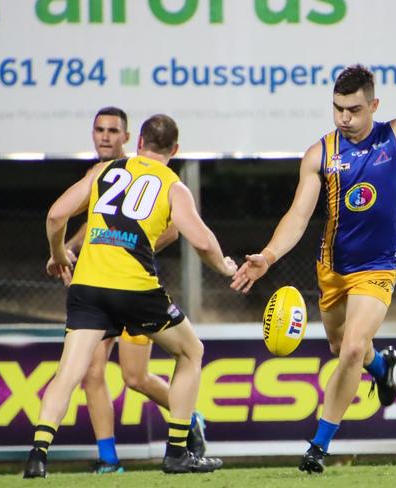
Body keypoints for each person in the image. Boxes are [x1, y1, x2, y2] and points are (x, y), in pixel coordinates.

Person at [231, 4, 396, 474]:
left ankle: (317, 447)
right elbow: (298, 214)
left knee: (350, 349)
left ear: (373, 105)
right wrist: (268, 256)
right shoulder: (320, 154)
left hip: (378, 266)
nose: (344, 117)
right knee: (343, 349)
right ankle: (382, 366)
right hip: (332, 267)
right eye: (338, 108)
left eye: (354, 109)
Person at [24, 113, 237, 478]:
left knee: (70, 372)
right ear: (175, 149)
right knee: (191, 352)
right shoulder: (173, 185)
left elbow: (56, 215)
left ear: (137, 142)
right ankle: (177, 452)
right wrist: (226, 268)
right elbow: (200, 239)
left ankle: (38, 456)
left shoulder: (104, 172)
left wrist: (59, 255)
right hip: (135, 289)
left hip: (88, 287)